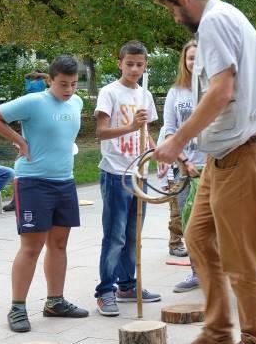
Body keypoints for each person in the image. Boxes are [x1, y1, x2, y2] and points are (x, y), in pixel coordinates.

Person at [153, 0, 256, 342]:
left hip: (242, 154)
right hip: (222, 156)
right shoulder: (227, 16)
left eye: (173, 9)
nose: (176, 18)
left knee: (242, 261)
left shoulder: (213, 22)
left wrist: (177, 141)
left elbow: (221, 91)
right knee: (196, 237)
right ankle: (218, 330)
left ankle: (255, 337)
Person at [0, 55, 88, 332]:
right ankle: (17, 307)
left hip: (65, 181)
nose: (68, 90)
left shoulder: (77, 102)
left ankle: (55, 302)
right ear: (49, 80)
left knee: (60, 244)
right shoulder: (34, 102)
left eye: (74, 84)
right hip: (33, 182)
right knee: (31, 247)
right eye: (63, 84)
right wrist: (20, 141)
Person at [94, 41, 161, 317]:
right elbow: (100, 132)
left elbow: (146, 133)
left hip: (139, 173)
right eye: (129, 63)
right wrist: (130, 126)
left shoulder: (145, 95)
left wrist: (159, 152)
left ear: (145, 66)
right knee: (115, 236)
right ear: (119, 63)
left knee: (133, 235)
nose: (134, 68)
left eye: (140, 64)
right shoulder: (109, 92)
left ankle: (127, 285)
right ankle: (105, 291)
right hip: (115, 173)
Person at [157, 39, 206, 292]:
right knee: (189, 223)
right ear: (184, 61)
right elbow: (169, 131)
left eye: (199, 57)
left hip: (214, 167)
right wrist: (184, 160)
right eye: (190, 58)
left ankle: (220, 272)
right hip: (185, 168)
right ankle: (197, 272)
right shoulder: (176, 92)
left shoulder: (214, 89)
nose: (194, 62)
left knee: (217, 223)